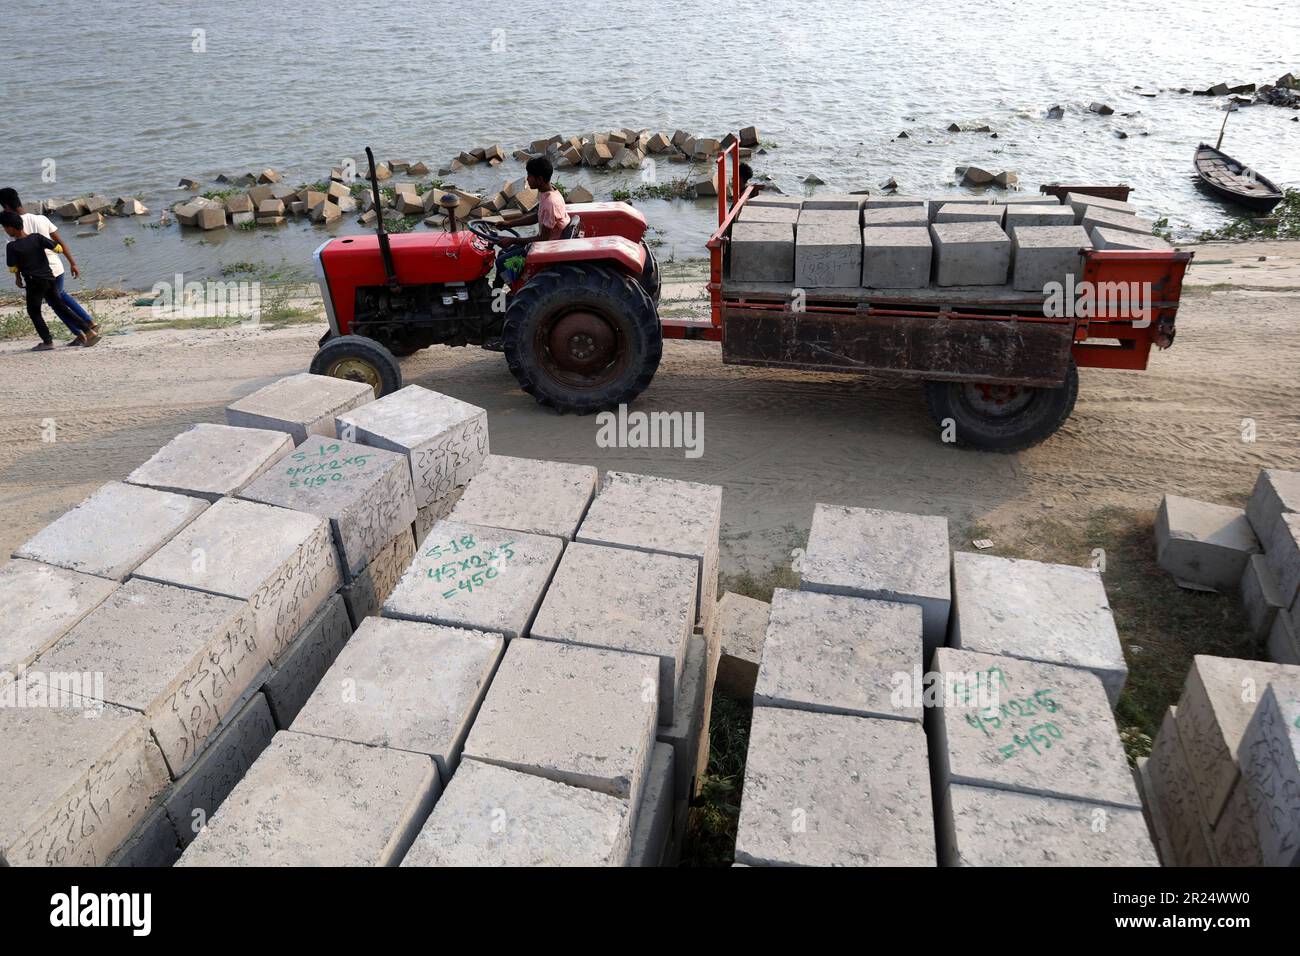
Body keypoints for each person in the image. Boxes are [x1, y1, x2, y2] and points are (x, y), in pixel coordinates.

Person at [0, 188, 100, 336]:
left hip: (38, 273)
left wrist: (17, 277)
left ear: (6, 207)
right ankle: (88, 323)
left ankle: (81, 333)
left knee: (56, 304)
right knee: (60, 296)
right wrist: (73, 263)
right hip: (57, 267)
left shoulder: (12, 226)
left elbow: (19, 257)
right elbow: (59, 242)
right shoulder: (42, 219)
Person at [493, 156, 571, 287]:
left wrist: (511, 240)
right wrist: (509, 224)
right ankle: (504, 287)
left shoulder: (550, 203)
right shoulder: (549, 191)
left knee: (502, 262)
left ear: (539, 179)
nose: (527, 179)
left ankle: (513, 289)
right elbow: (537, 216)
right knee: (502, 253)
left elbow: (543, 239)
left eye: (529, 175)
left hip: (546, 248)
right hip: (546, 243)